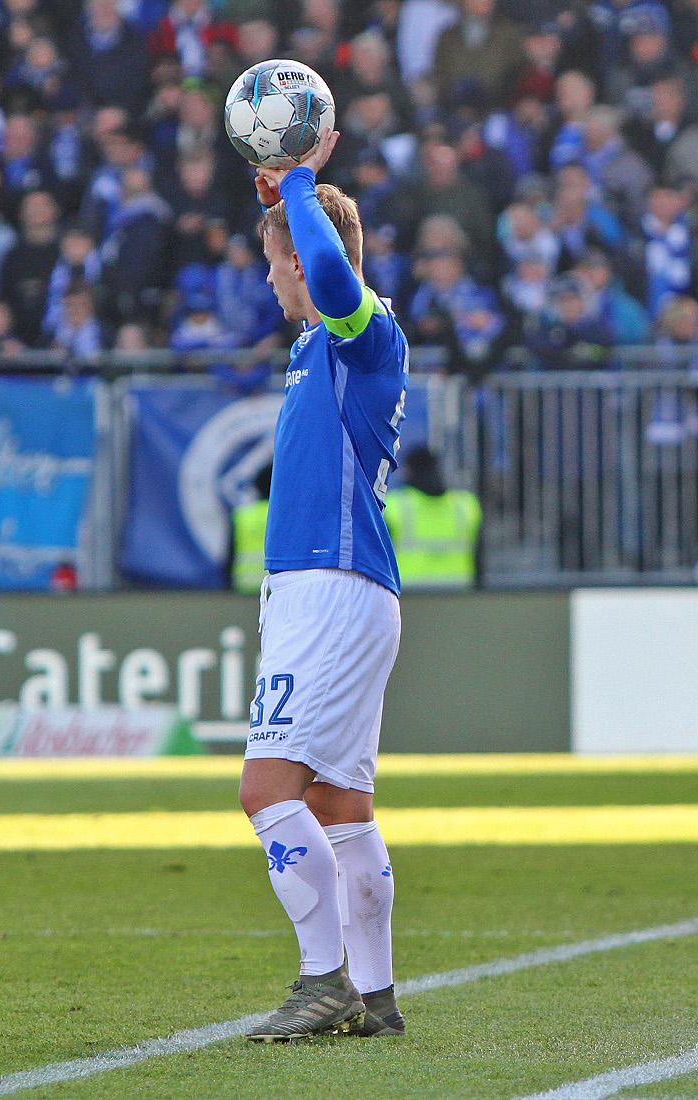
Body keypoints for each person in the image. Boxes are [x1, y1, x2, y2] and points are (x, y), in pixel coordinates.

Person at [237, 129, 410, 1043]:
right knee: (340, 805)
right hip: (341, 590)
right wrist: (286, 193)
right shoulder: (319, 347)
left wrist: (297, 186)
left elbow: (335, 284)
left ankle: (323, 981)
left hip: (329, 586)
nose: (270, 278)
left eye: (278, 262)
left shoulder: (364, 330)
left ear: (305, 259)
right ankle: (374, 998)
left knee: (267, 787)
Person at [384, 446, 483, 589]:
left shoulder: (393, 505)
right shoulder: (466, 505)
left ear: (408, 470)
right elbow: (479, 560)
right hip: (459, 594)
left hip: (408, 596)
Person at [227, 466, 273, 595]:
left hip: (244, 584)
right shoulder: (285, 516)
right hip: (276, 583)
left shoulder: (242, 515)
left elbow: (229, 554)